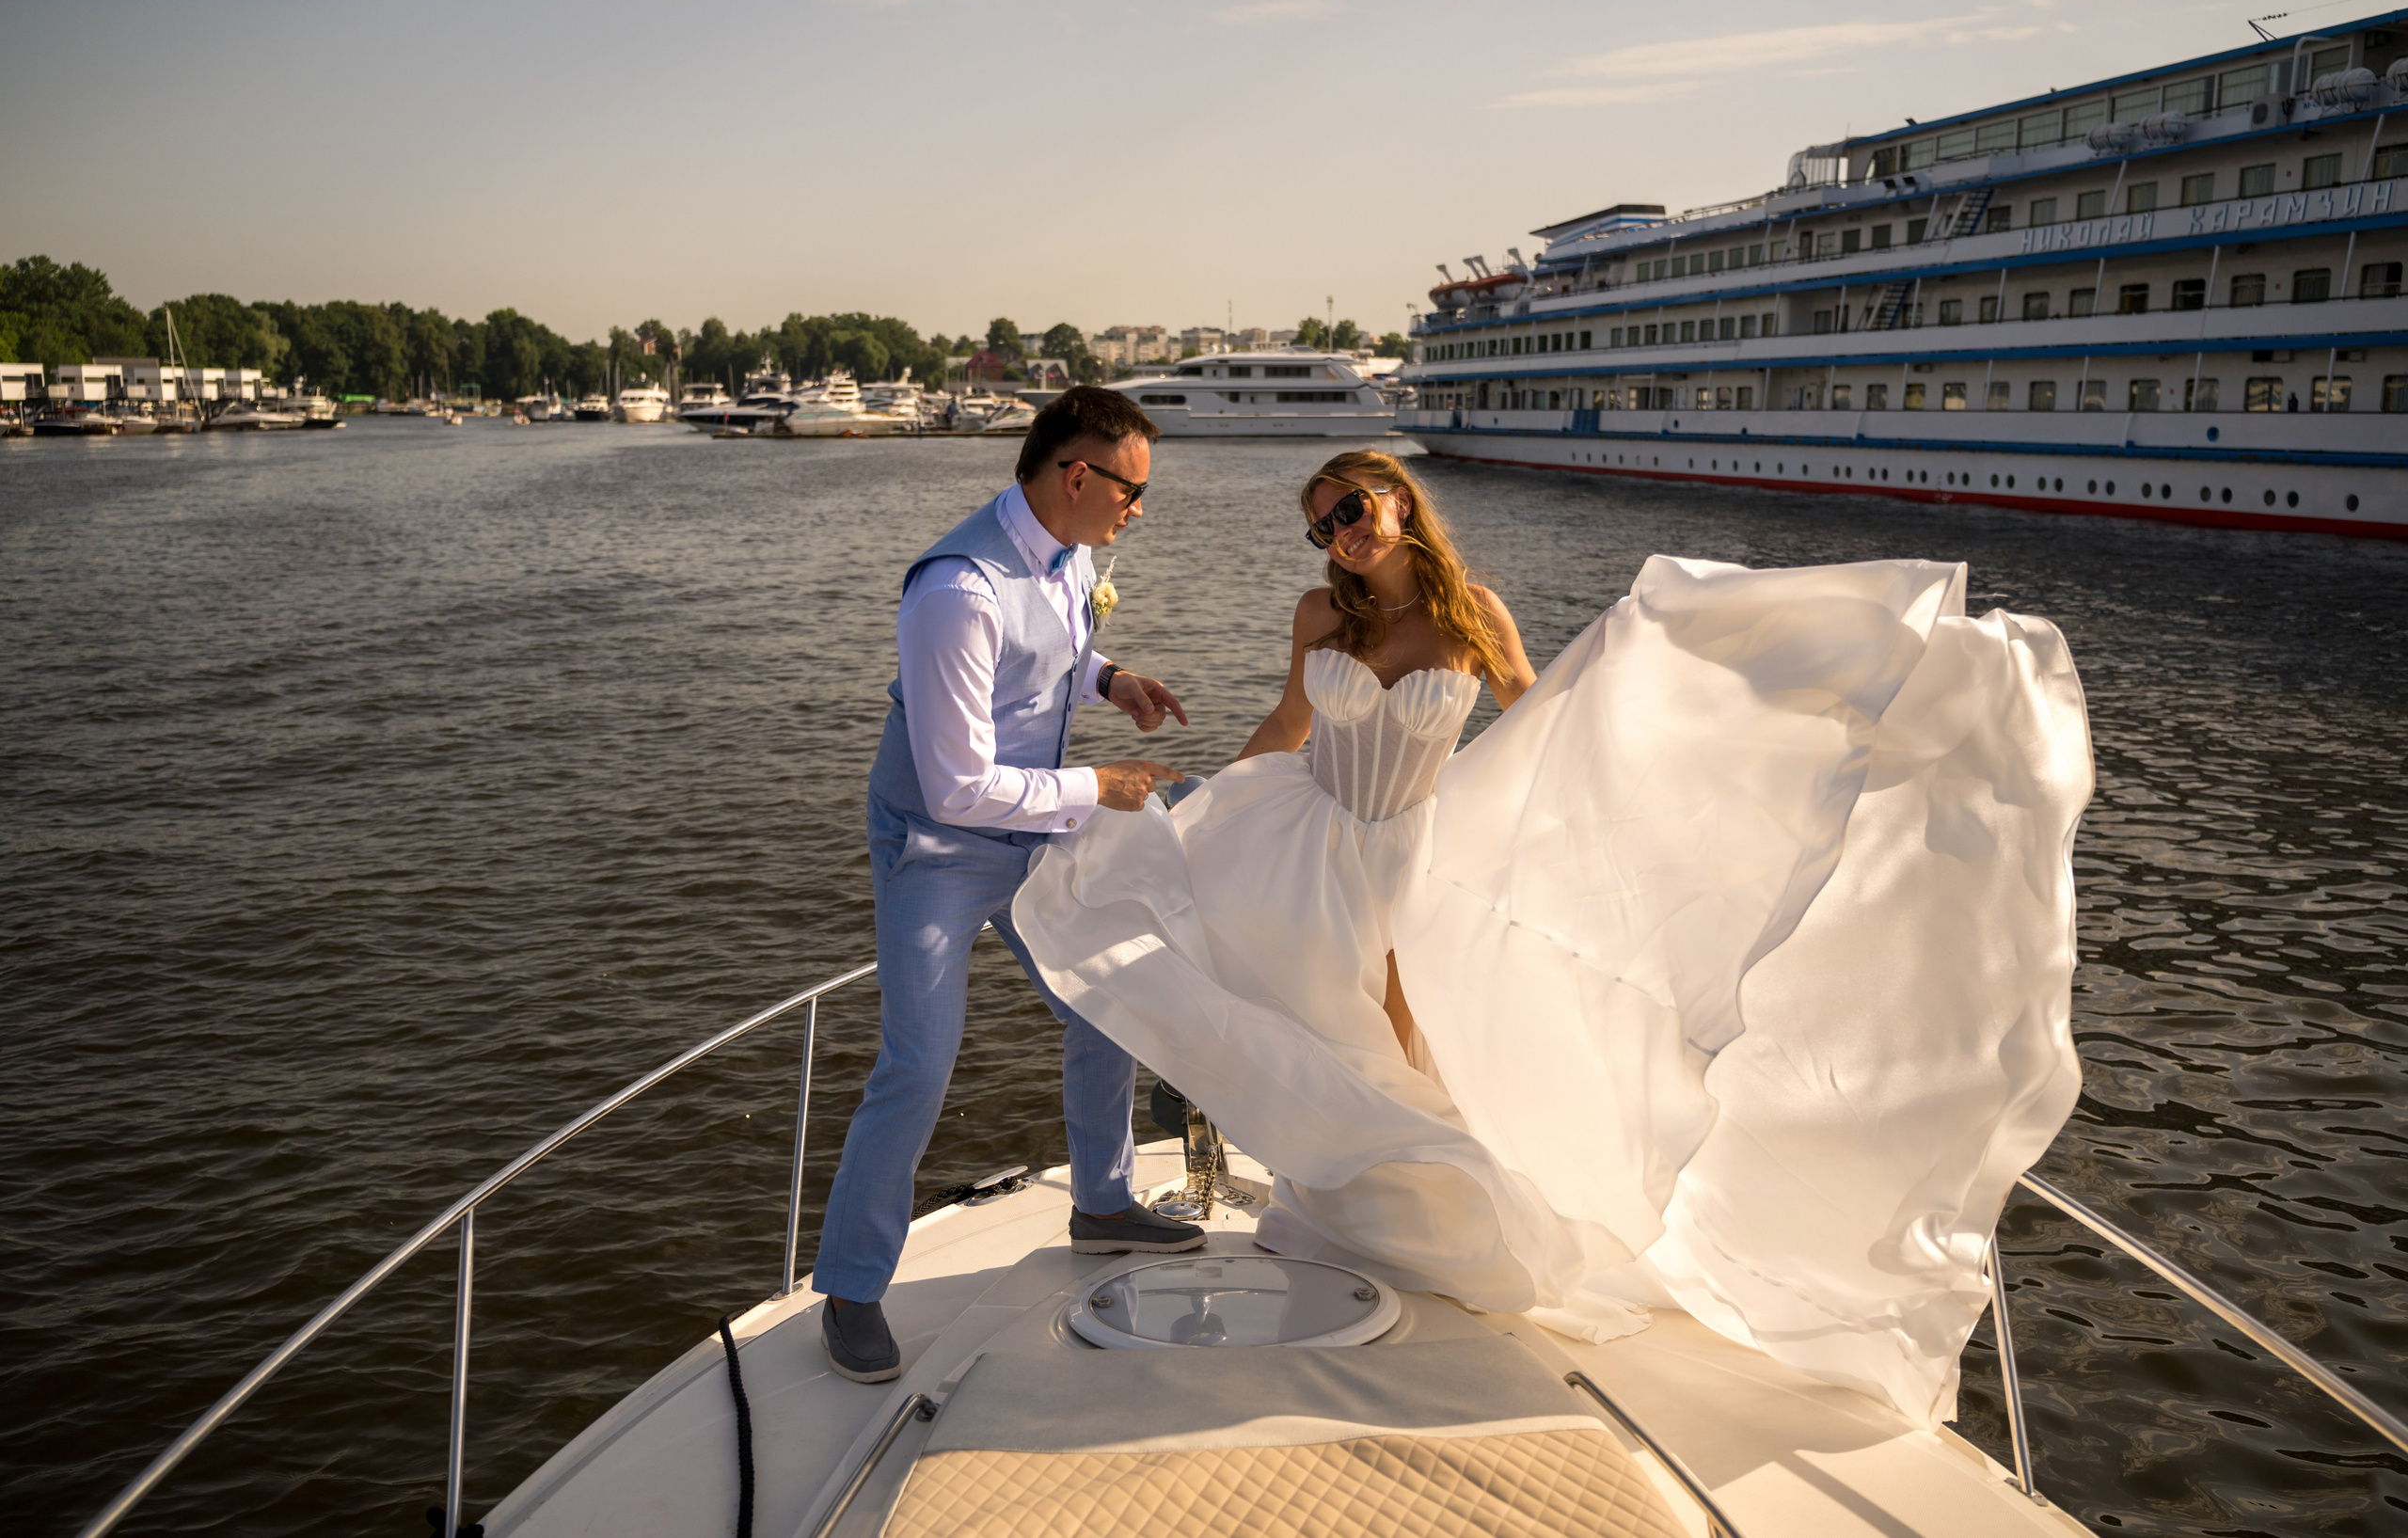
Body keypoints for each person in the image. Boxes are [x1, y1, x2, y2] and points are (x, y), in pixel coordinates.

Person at [1015, 449, 2094, 1430]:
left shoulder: (1470, 611)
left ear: (1399, 500)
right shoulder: (1318, 617)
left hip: (1417, 855)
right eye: (1321, 523)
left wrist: (1635, 720)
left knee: (1407, 1043)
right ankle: (1355, 1213)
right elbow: (1287, 731)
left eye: (1351, 506)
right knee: (1336, 1038)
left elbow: (1541, 715)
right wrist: (1196, 810)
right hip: (1311, 850)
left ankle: (1428, 1225)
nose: (1340, 530)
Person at [813, 387, 1204, 1387]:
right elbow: (957, 783)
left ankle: (1103, 1204)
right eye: (1132, 489)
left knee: (1106, 998)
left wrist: (1110, 679)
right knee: (917, 1065)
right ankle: (852, 1292)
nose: (1139, 509)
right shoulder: (956, 591)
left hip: (1031, 835)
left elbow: (1047, 663)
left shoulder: (1064, 555)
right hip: (936, 851)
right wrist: (1098, 788)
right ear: (1077, 475)